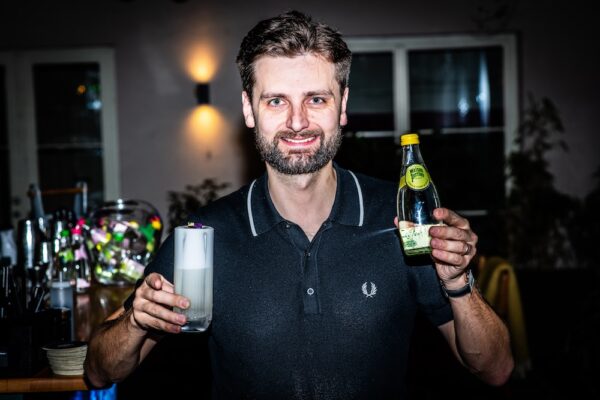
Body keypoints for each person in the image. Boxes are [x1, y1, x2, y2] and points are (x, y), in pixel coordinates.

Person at [85, 10, 513, 399]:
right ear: (249, 109)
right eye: (276, 100)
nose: (297, 122)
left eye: (316, 99)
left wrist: (458, 283)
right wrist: (135, 321)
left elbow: (496, 369)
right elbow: (100, 373)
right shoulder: (205, 235)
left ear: (342, 106)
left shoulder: (399, 219)